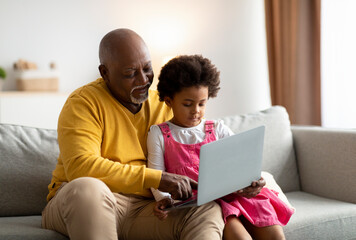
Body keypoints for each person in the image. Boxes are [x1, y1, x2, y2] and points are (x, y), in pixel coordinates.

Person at [41, 28, 227, 240]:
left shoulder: (165, 103)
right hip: (82, 203)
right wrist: (157, 178)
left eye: (147, 68)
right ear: (105, 73)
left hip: (146, 208)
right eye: (130, 73)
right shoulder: (83, 103)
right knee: (88, 188)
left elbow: (201, 148)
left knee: (206, 210)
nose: (143, 80)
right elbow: (81, 167)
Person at [147, 55, 294, 240]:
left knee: (275, 236)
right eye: (187, 104)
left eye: (202, 103)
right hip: (205, 205)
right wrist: (163, 199)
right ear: (169, 101)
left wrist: (256, 181)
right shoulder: (159, 134)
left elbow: (243, 163)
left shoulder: (217, 128)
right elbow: (156, 177)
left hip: (237, 196)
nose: (196, 111)